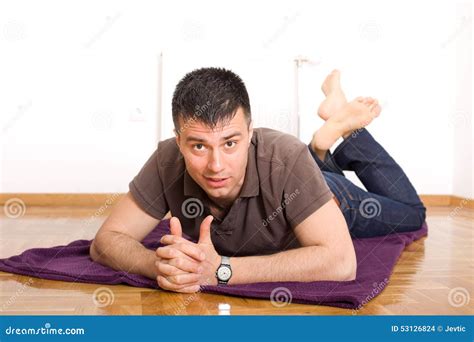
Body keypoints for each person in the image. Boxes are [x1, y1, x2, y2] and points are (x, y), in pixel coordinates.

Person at [90, 67, 426, 293]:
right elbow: (106, 241)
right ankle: (322, 147)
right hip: (300, 171)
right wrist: (158, 265)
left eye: (231, 143)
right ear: (179, 141)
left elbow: (341, 262)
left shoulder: (286, 156)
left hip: (332, 197)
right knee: (310, 164)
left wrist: (220, 270)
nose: (215, 165)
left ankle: (345, 132)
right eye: (198, 146)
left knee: (412, 214)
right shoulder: (167, 158)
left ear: (250, 134)